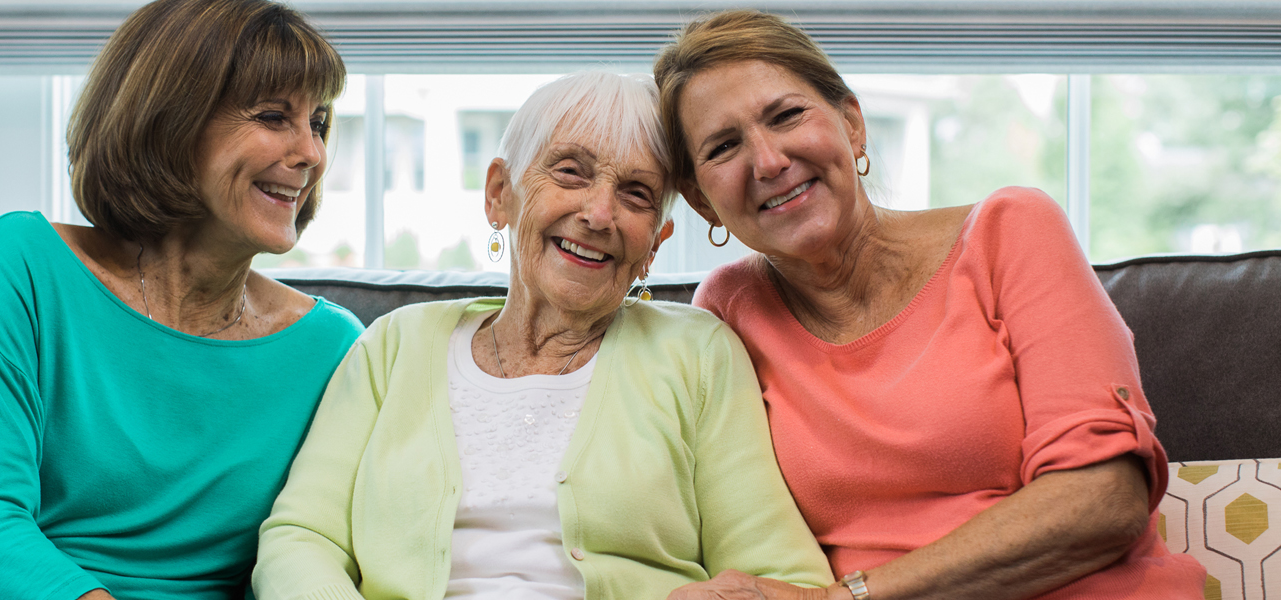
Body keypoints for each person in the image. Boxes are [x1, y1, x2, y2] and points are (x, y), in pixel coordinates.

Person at [651, 10, 1207, 600]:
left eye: (786, 115)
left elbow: (1103, 501)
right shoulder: (729, 311)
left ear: (852, 124)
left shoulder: (1010, 231)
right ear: (701, 201)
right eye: (723, 146)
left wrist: (847, 598)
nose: (767, 162)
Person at [0, 2, 362, 599]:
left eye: (318, 122)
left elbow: (322, 552)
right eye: (272, 116)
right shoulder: (24, 260)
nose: (310, 153)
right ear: (171, 120)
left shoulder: (333, 348)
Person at [252, 71, 833, 600]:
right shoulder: (394, 344)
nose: (600, 214)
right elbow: (301, 536)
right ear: (500, 193)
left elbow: (783, 577)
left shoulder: (698, 354)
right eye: (571, 173)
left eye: (636, 194)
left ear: (655, 243)